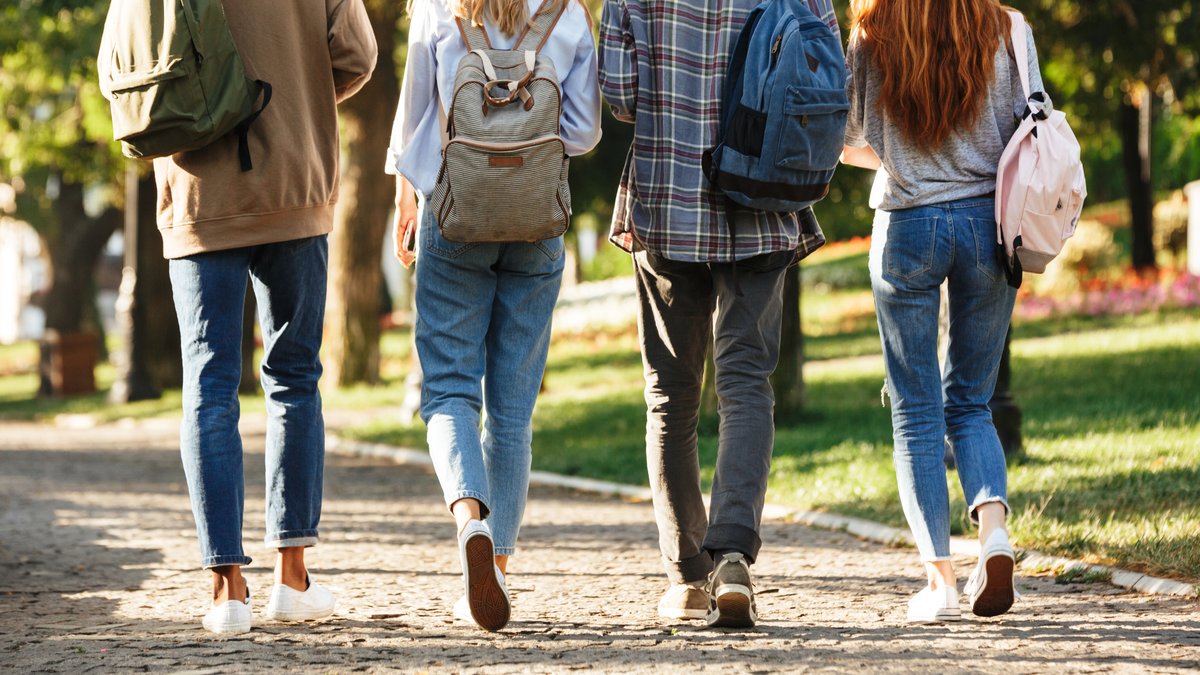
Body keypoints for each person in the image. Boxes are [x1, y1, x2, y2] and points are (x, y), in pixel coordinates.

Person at [599, 0, 836, 628]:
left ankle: (686, 578)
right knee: (746, 382)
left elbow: (620, 94)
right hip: (764, 189)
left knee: (671, 396)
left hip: (668, 195)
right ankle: (733, 556)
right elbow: (825, 71)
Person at [156, 0, 377, 634]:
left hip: (200, 191)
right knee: (294, 379)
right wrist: (297, 101)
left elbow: (123, 59)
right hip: (294, 183)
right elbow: (357, 55)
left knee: (209, 388)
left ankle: (226, 590)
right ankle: (291, 577)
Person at [386, 0, 601, 632]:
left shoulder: (437, 8)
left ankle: (469, 522)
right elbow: (584, 132)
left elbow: (414, 116)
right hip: (538, 221)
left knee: (449, 387)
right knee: (513, 407)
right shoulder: (568, 15)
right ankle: (499, 565)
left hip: (454, 212)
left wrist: (406, 195)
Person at [841, 0, 1043, 622]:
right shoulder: (1009, 28)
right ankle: (994, 535)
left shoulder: (872, 32)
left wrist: (905, 157)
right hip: (990, 226)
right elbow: (1031, 128)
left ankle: (941, 584)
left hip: (906, 226)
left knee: (915, 410)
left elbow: (846, 141)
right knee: (971, 402)